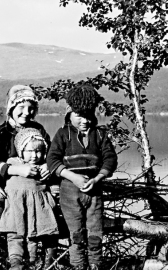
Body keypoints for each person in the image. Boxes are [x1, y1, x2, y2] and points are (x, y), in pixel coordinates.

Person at [0, 85, 55, 270]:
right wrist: (16, 169)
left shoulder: (38, 129)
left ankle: (46, 258)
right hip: (3, 181)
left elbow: (53, 154)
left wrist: (48, 166)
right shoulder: (2, 132)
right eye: (21, 107)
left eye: (31, 108)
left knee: (49, 206)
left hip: (34, 183)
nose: (26, 112)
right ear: (11, 109)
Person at [47, 84, 118, 270]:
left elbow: (110, 159)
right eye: (79, 115)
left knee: (95, 233)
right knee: (75, 234)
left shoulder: (100, 135)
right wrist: (73, 177)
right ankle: (78, 265)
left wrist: (97, 178)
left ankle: (95, 265)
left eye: (88, 115)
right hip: (69, 191)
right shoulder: (62, 134)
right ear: (69, 114)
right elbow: (52, 161)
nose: (84, 120)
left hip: (94, 191)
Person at [0, 128, 59, 270]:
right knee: (14, 235)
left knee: (34, 236)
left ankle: (33, 261)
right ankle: (15, 262)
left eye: (39, 151)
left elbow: (53, 183)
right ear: (21, 151)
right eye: (30, 151)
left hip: (36, 208)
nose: (34, 155)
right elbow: (0, 169)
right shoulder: (13, 162)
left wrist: (53, 193)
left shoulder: (44, 168)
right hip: (15, 206)